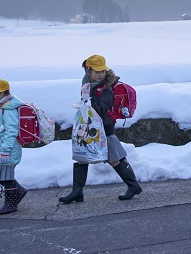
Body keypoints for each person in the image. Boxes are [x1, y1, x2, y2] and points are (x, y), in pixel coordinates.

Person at [59, 54, 142, 203]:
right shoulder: (87, 85)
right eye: (97, 71)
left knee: (114, 159)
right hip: (89, 126)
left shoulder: (106, 88)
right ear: (88, 71)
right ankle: (77, 192)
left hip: (104, 128)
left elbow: (100, 108)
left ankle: (133, 185)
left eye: (102, 71)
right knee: (81, 157)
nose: (100, 74)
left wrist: (86, 100)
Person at [0, 78, 28, 215]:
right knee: (0, 175)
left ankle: (11, 204)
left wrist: (6, 150)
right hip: (1, 147)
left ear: (6, 93)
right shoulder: (2, 109)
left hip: (7, 149)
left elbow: (11, 131)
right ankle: (18, 192)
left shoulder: (8, 110)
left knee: (6, 177)